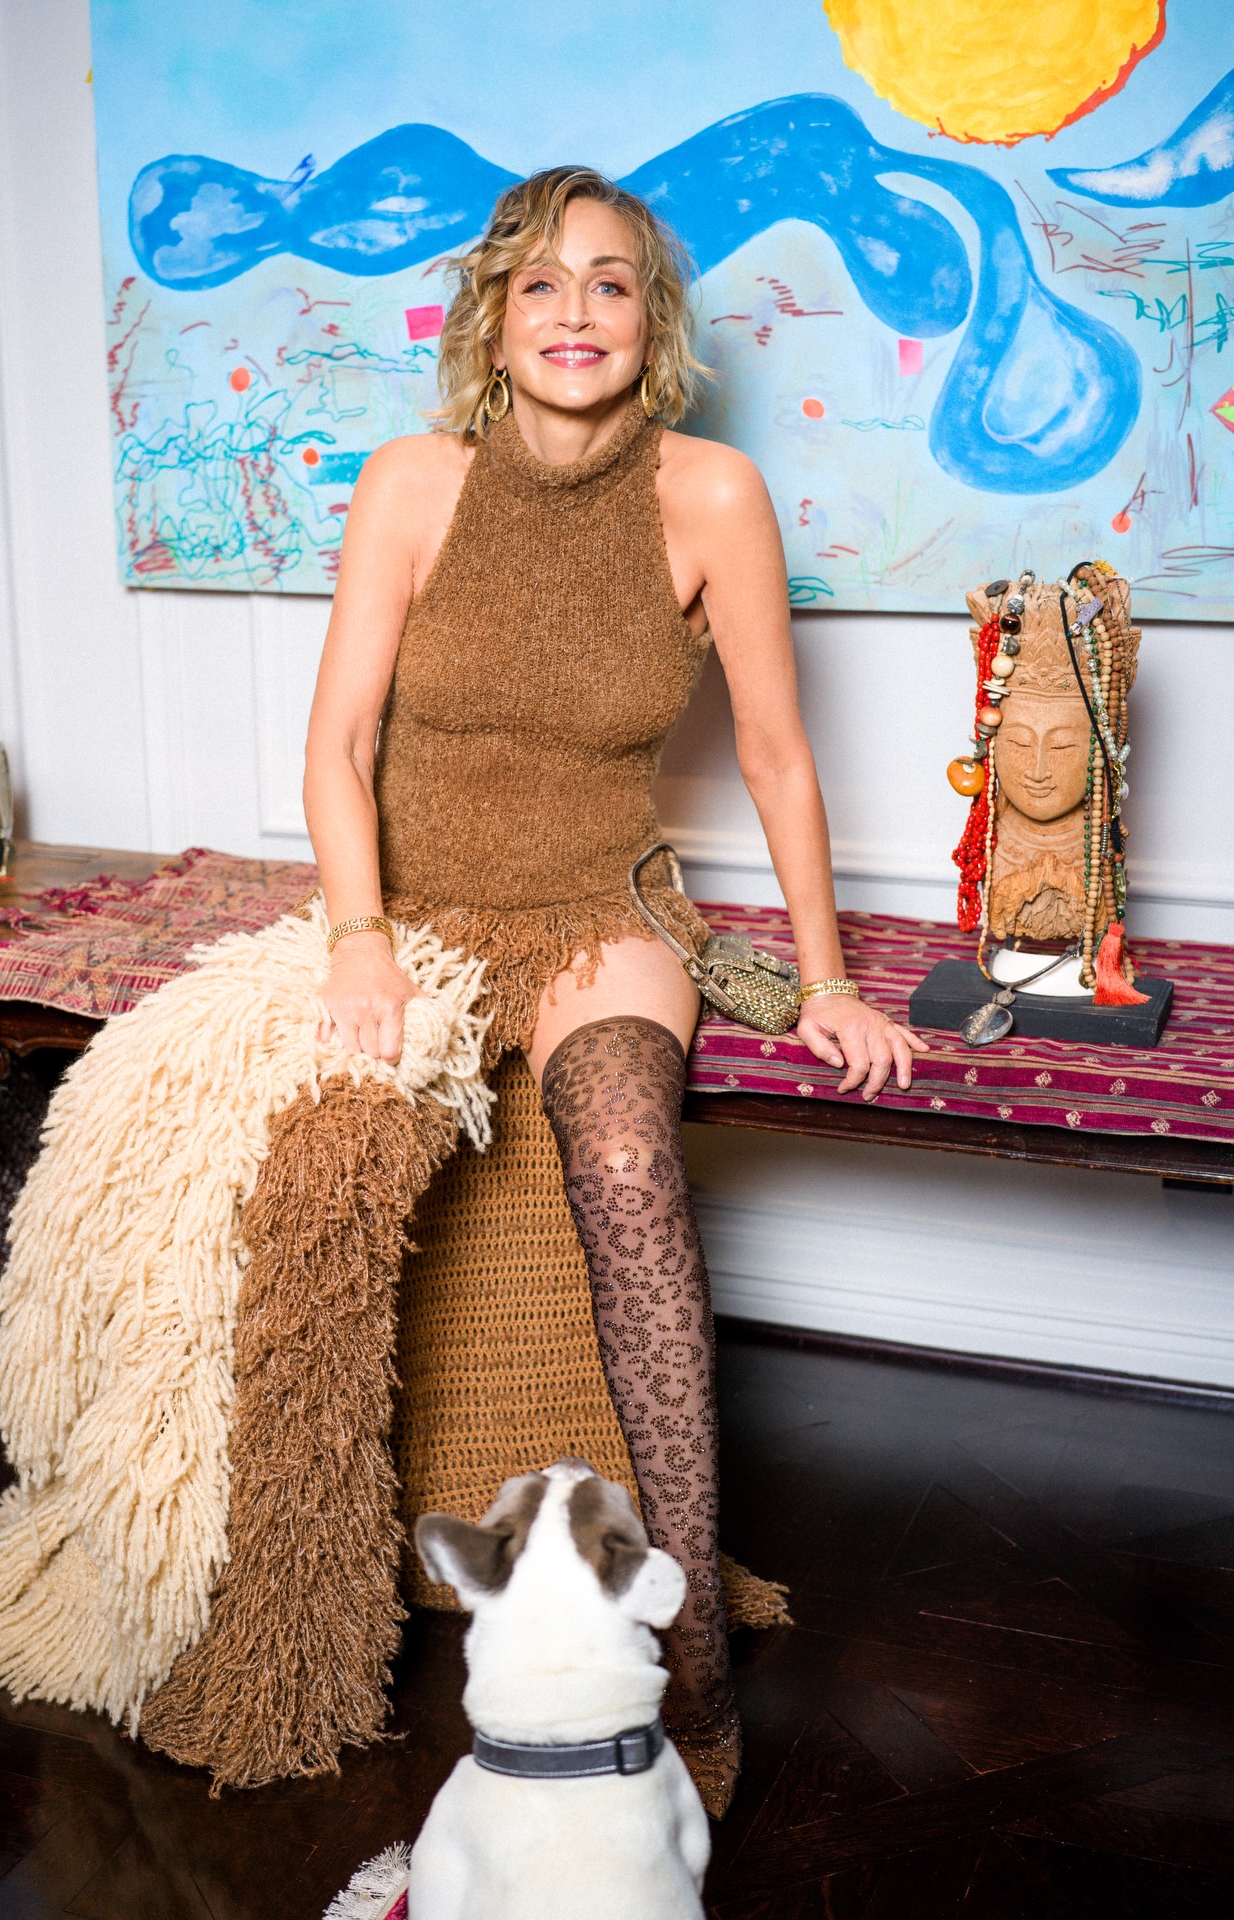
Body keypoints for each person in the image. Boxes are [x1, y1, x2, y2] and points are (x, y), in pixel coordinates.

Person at [303, 165, 927, 1815]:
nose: (575, 313)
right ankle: (312, 1595)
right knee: (315, 1172)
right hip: (424, 916)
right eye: (542, 283)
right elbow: (340, 745)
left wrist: (825, 978)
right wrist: (359, 938)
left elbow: (779, 754)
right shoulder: (412, 483)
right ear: (493, 318)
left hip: (602, 911)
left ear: (653, 324)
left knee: (634, 1160)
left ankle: (696, 1654)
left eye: (612, 283)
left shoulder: (711, 492)